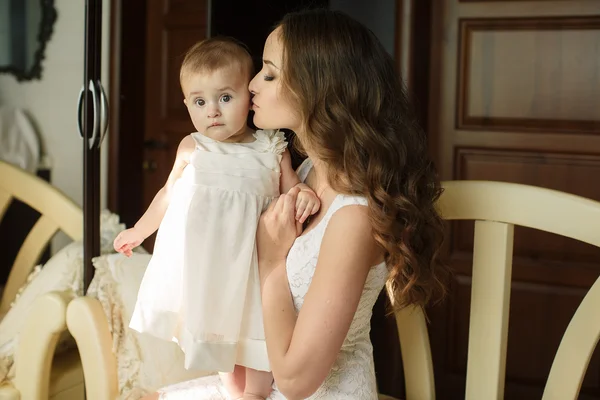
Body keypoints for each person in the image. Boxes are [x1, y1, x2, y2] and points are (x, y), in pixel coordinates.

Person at [144, 8, 448, 400]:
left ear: (316, 89)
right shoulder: (304, 176)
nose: (251, 84)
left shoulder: (353, 217)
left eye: (269, 73)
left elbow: (295, 381)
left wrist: (272, 260)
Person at [113, 37, 320, 400]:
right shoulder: (193, 147)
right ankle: (232, 389)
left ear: (248, 96)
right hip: (210, 265)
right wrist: (139, 230)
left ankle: (254, 393)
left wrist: (303, 193)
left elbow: (291, 188)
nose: (213, 111)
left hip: (255, 263)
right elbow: (167, 195)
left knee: (254, 338)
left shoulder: (271, 147)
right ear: (187, 104)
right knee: (223, 339)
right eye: (199, 101)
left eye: (225, 97)